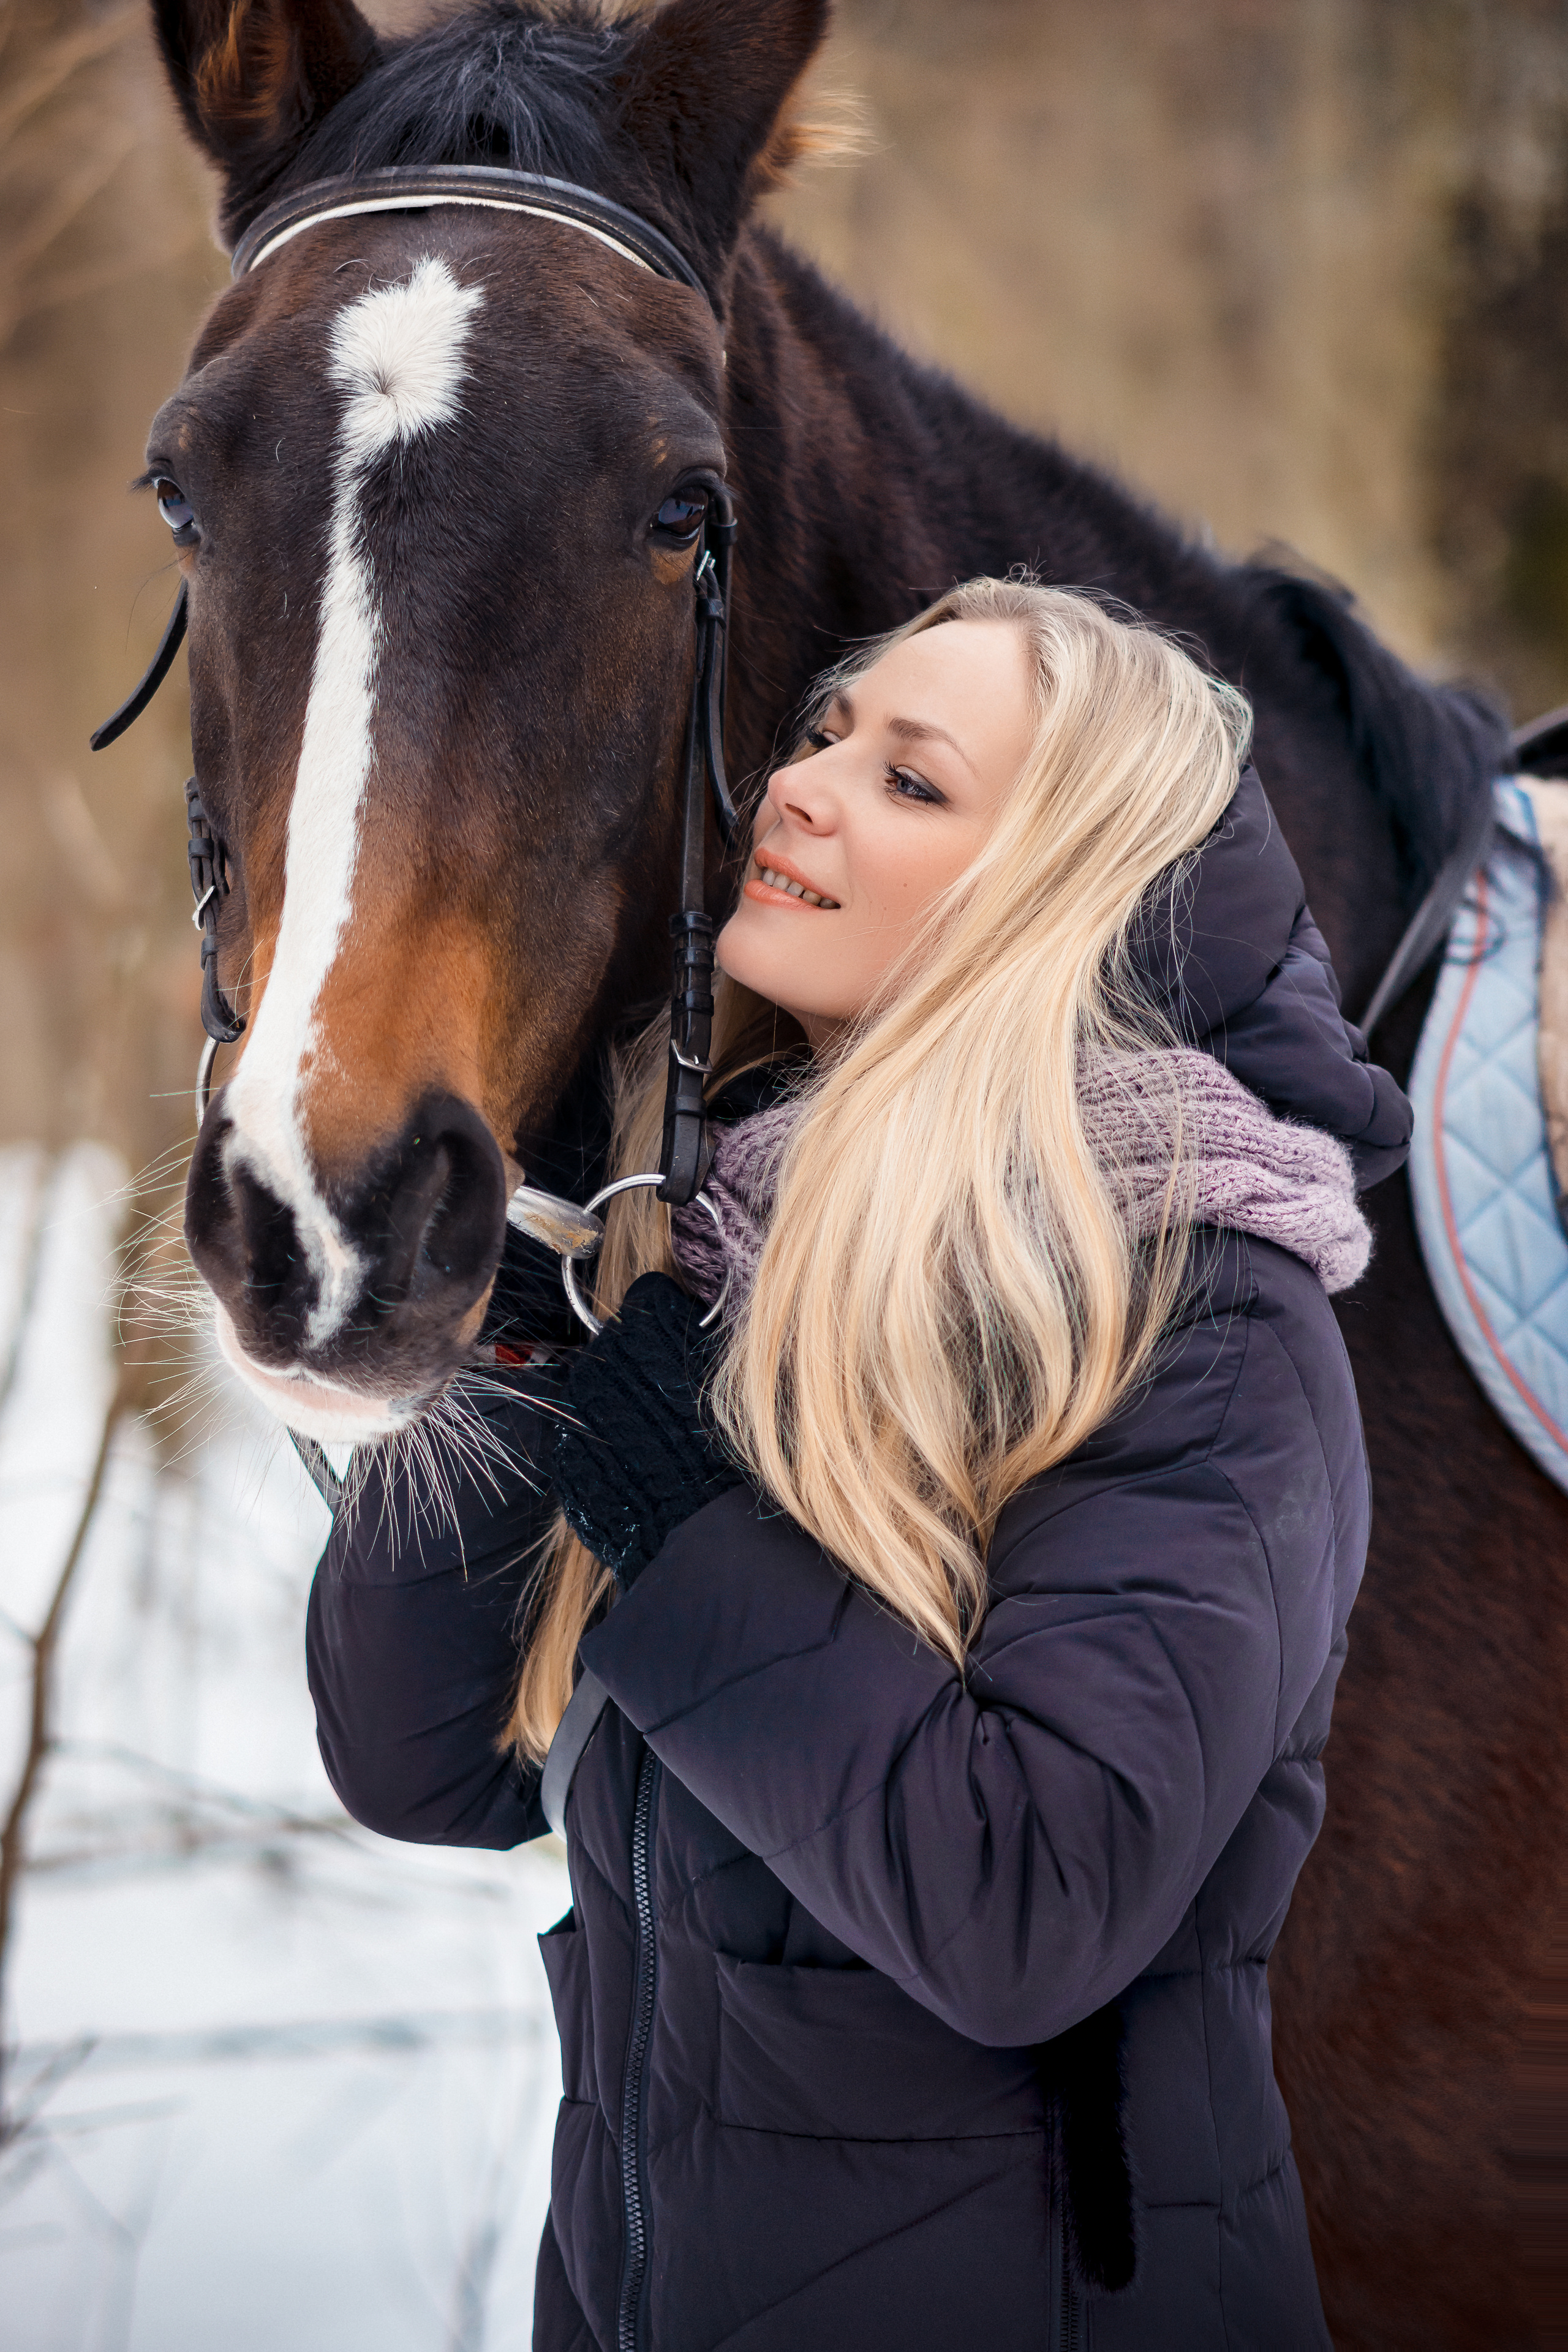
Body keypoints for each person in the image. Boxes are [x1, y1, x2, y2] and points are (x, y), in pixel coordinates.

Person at [306, 579, 1412, 2351]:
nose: (802, 789)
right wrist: (518, 1375)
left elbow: (1031, 1906)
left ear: (1056, 896)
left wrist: (680, 1522)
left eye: (913, 780)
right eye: (824, 736)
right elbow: (423, 1765)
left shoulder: (1197, 1320)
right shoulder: (718, 1277)